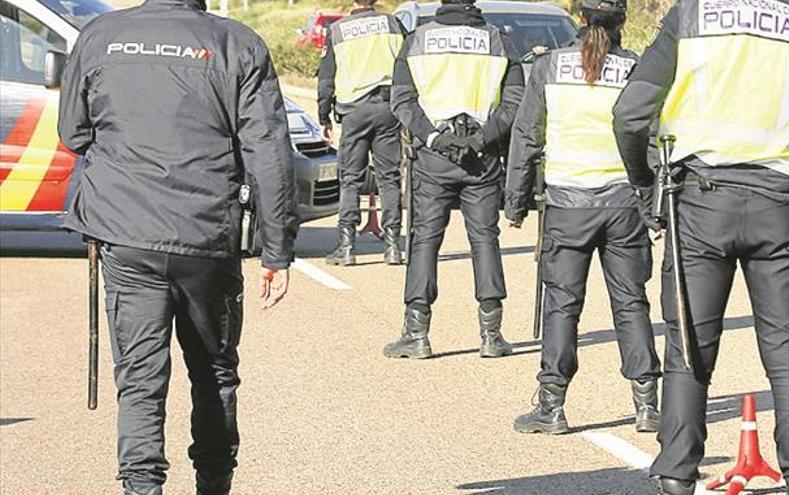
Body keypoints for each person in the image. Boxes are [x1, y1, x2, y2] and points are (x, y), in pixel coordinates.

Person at [58, 0, 298, 493]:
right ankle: (214, 484)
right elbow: (269, 152)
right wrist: (277, 252)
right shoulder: (237, 43)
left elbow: (73, 132)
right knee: (213, 373)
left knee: (141, 381)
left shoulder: (101, 35)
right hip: (205, 236)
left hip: (125, 233)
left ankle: (141, 487)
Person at [612, 0, 789, 491]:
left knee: (688, 348)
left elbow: (629, 113)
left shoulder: (688, 15)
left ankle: (677, 475)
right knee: (787, 349)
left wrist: (644, 181)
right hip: (783, 203)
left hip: (700, 204)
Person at [505, 0, 662, 436]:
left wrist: (515, 202)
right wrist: (654, 206)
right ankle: (648, 406)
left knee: (562, 305)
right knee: (631, 303)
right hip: (623, 206)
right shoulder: (634, 69)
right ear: (623, 22)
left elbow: (527, 135)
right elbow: (650, 138)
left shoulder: (549, 66)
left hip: (567, 207)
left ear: (579, 19)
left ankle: (551, 407)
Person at [383, 0, 523, 359]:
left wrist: (434, 137)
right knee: (485, 240)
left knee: (424, 240)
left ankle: (417, 334)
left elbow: (402, 100)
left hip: (434, 157)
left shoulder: (417, 39)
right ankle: (491, 335)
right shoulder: (498, 40)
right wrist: (481, 138)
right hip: (483, 157)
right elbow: (514, 102)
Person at [318, 0, 405, 266]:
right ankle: (392, 247)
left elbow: (326, 78)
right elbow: (407, 65)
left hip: (354, 111)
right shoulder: (393, 23)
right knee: (389, 178)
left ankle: (346, 247)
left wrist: (324, 116)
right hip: (388, 108)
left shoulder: (339, 29)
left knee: (350, 180)